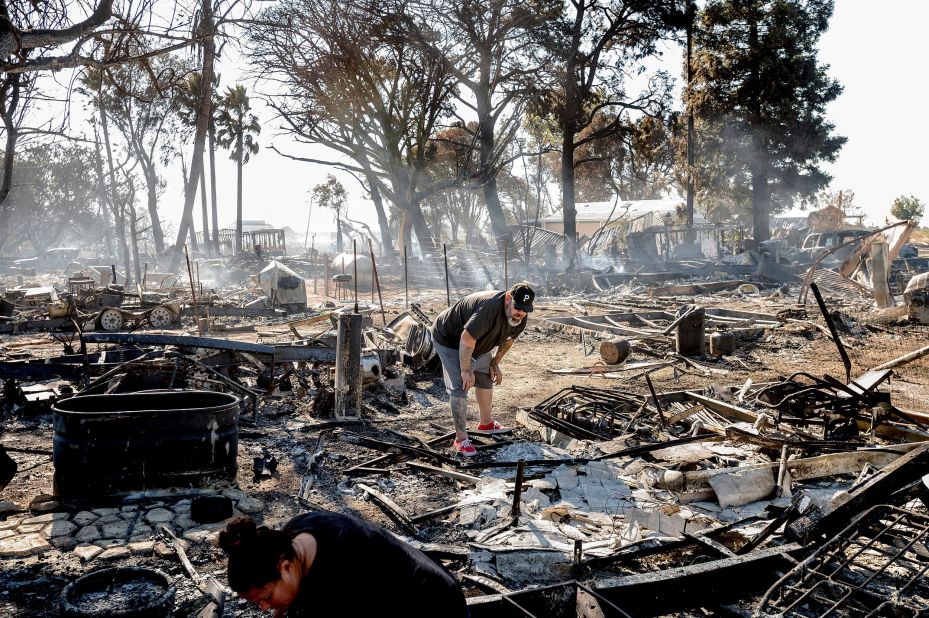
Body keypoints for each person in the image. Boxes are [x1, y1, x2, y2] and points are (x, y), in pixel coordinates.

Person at [219, 512, 466, 617]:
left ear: (285, 568)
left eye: (267, 597)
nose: (263, 608)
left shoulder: (338, 579)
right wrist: (278, 605)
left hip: (436, 603)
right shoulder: (293, 535)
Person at [429, 282, 534, 457]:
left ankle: (486, 423)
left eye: (525, 309)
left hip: (478, 343)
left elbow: (508, 340)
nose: (520, 313)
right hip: (450, 339)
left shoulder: (520, 316)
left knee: (485, 377)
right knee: (461, 384)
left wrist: (495, 363)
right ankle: (461, 438)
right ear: (508, 298)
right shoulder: (489, 308)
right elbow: (467, 339)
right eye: (518, 307)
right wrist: (465, 370)